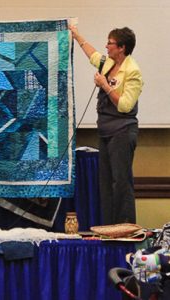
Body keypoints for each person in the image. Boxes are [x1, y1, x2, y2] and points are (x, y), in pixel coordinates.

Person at [69, 25, 143, 225]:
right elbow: (93, 55)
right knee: (106, 183)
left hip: (122, 131)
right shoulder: (108, 63)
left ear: (121, 47)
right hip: (105, 132)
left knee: (121, 183)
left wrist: (104, 85)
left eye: (110, 43)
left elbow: (125, 106)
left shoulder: (132, 70)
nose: (106, 46)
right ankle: (109, 227)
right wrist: (76, 35)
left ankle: (125, 227)